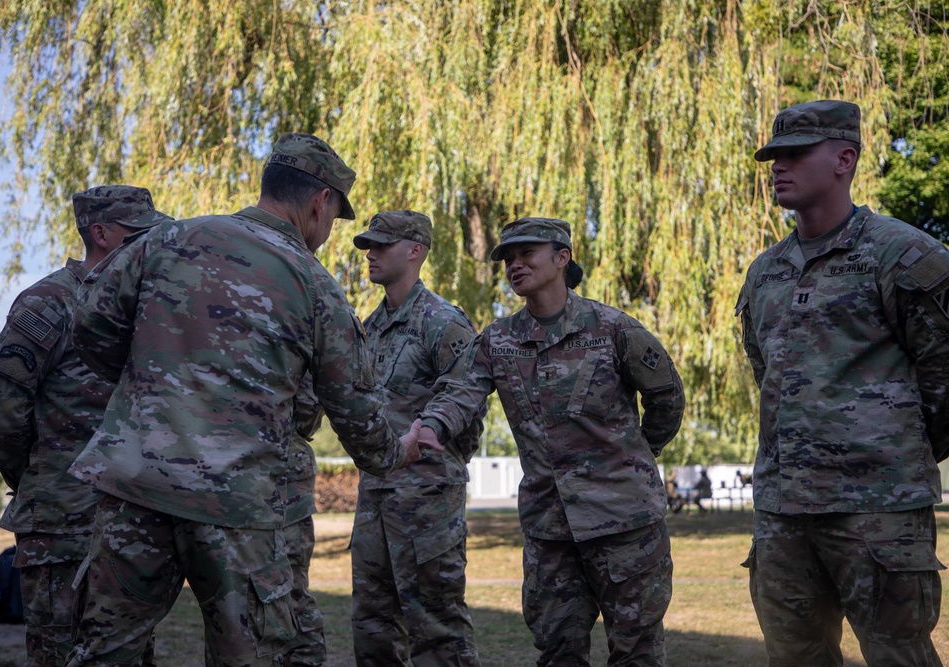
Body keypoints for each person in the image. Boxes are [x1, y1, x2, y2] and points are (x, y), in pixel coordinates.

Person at [66, 133, 427, 666]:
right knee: (258, 654)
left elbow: (90, 328)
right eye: (334, 219)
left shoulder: (165, 241)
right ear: (319, 202)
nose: (328, 232)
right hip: (237, 507)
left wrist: (153, 385)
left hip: (135, 487)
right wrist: (400, 452)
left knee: (105, 652)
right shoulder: (314, 283)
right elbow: (353, 407)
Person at [736, 99, 949, 666]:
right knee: (795, 656)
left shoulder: (904, 254)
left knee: (898, 655)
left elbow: (944, 373)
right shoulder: (766, 271)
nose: (779, 166)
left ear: (844, 159)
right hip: (783, 512)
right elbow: (768, 372)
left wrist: (889, 451)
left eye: (796, 154)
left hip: (877, 509)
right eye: (774, 156)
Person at [417, 217, 686, 666]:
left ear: (562, 259)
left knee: (636, 652)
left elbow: (667, 397)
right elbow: (460, 392)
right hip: (550, 529)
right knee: (558, 651)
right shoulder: (498, 341)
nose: (514, 265)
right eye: (508, 258)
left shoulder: (613, 328)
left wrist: (636, 455)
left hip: (625, 524)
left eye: (526, 254)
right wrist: (432, 426)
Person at [0, 186, 171, 666]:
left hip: (130, 522)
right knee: (61, 651)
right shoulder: (51, 302)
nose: (150, 245)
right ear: (100, 234)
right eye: (138, 234)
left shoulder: (145, 308)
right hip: (63, 524)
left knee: (127, 653)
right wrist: (39, 477)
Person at [350, 210, 484, 666]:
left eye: (381, 245)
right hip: (375, 496)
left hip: (428, 496)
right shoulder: (369, 327)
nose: (370, 254)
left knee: (436, 624)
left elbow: (468, 388)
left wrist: (431, 427)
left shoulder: (442, 320)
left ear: (415, 251)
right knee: (372, 623)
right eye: (368, 244)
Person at [279, 374, 327, 666]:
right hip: (279, 459)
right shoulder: (297, 328)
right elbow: (309, 405)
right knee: (289, 587)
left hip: (279, 465)